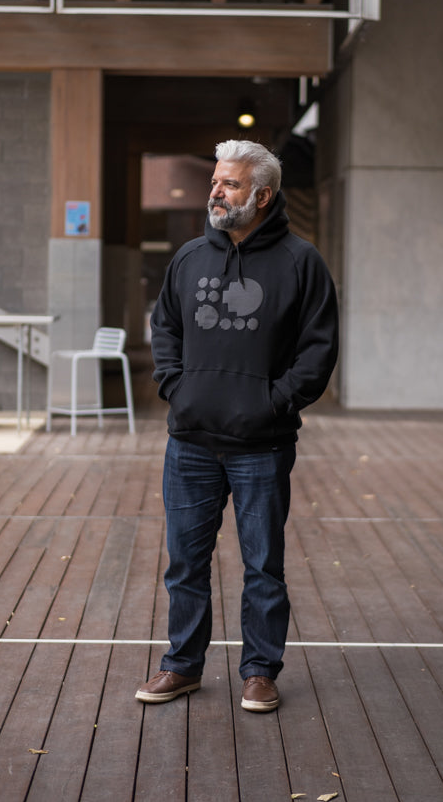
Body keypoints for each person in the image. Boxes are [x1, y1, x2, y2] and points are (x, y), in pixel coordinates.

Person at [135, 139, 338, 713]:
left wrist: (272, 404)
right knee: (185, 564)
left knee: (262, 566)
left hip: (261, 445)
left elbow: (317, 352)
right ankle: (182, 665)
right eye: (215, 182)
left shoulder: (302, 263)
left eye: (228, 184)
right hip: (192, 442)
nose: (215, 192)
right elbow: (166, 325)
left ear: (262, 195)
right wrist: (177, 385)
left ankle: (259, 671)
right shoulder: (190, 257)